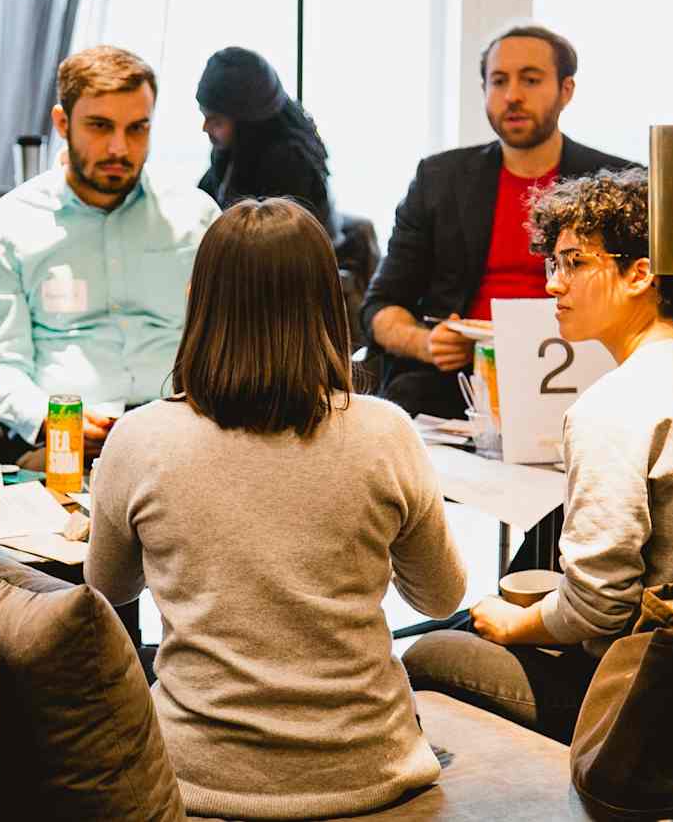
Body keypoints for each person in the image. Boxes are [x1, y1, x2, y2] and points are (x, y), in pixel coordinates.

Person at [86, 198, 466, 819]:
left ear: (197, 300)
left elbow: (107, 587)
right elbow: (442, 598)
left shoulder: (140, 439)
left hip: (197, 774)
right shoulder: (385, 433)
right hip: (373, 767)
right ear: (328, 302)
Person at [402, 169, 673, 743]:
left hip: (656, 686)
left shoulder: (611, 410)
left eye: (575, 263)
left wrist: (517, 624)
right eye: (552, 265)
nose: (554, 286)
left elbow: (597, 610)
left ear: (640, 274)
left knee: (430, 652)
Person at [363, 23, 635, 418]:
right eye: (499, 81)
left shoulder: (615, 183)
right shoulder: (440, 179)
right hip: (457, 380)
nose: (512, 96)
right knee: (407, 398)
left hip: (578, 373)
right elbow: (381, 306)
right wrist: (427, 343)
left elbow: (661, 306)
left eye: (530, 79)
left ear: (566, 90)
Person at [0, 45, 219, 455]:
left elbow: (226, 340)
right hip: (60, 441)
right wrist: (49, 419)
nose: (119, 148)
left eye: (137, 128)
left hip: (180, 437)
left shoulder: (196, 218)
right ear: (62, 123)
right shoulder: (7, 227)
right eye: (100, 126)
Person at [194, 46, 336, 237]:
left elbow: (275, 253)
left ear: (248, 124)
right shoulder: (235, 150)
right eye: (204, 115)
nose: (205, 127)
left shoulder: (288, 165)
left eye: (217, 121)